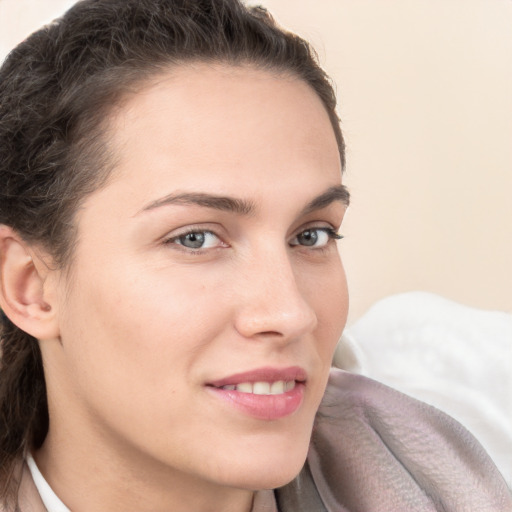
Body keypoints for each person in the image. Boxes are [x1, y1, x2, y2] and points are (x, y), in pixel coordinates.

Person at [0, 0, 509, 510]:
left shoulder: (457, 463)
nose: (291, 314)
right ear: (30, 287)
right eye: (195, 238)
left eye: (311, 235)